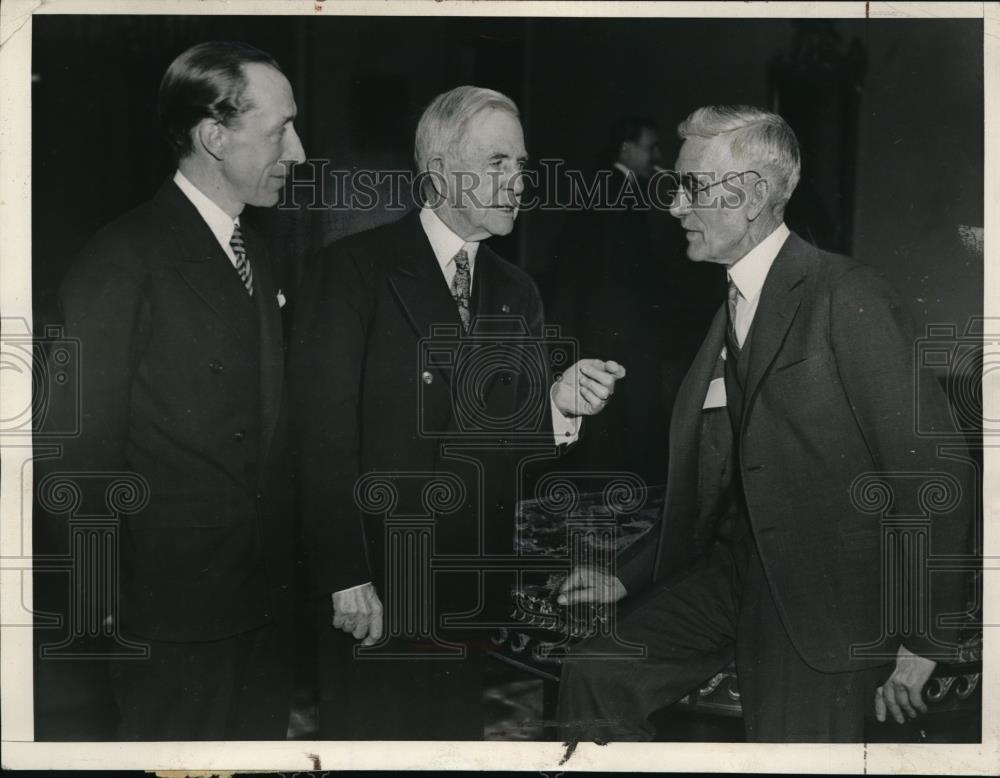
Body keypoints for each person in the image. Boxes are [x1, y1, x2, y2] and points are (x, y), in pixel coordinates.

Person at [555, 105, 972, 742]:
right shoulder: (730, 301)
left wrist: (922, 640)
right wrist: (624, 573)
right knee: (594, 673)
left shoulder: (846, 295)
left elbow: (936, 472)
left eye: (690, 185)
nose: (673, 207)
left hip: (823, 603)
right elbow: (715, 483)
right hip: (733, 577)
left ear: (749, 196)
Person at [290, 85, 626, 740]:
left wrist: (557, 403)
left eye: (522, 165)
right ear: (441, 171)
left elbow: (497, 436)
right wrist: (346, 577)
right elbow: (319, 438)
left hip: (468, 583)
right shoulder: (353, 271)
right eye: (497, 163)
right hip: (377, 582)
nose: (518, 182)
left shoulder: (517, 289)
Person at [47, 41, 306, 740]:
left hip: (261, 602)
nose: (299, 153)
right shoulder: (121, 259)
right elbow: (78, 450)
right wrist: (104, 605)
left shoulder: (256, 248)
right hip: (170, 617)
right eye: (281, 129)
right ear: (215, 137)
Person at [547, 117, 721, 486]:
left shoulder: (607, 187)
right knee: (614, 440)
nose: (656, 156)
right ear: (627, 148)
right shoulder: (613, 189)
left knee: (614, 439)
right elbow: (625, 274)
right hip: (614, 337)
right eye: (650, 147)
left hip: (607, 334)